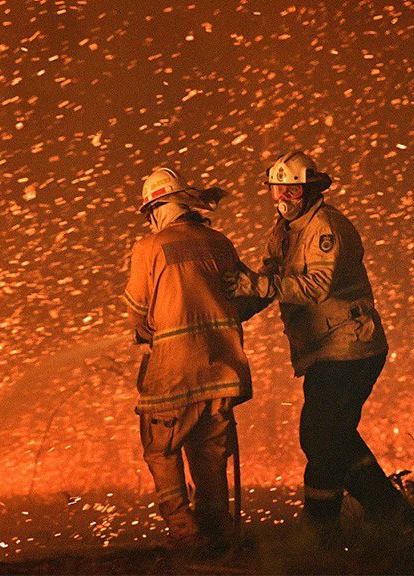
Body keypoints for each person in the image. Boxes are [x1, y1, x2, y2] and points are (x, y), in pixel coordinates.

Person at [225, 150, 414, 540]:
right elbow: (269, 279)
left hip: (350, 348)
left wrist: (257, 285)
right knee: (335, 434)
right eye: (276, 191)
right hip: (324, 349)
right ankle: (391, 513)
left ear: (312, 190)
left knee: (320, 435)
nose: (282, 200)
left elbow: (315, 287)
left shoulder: (327, 229)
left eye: (291, 192)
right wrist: (232, 312)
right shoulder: (283, 231)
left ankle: (322, 528)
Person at [123, 167, 254, 554]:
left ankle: (184, 530)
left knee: (160, 447)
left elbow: (137, 310)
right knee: (209, 455)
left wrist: (149, 329)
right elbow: (247, 297)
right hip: (221, 371)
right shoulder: (220, 243)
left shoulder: (149, 247)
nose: (150, 221)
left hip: (174, 373)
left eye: (151, 212)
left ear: (162, 207)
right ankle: (217, 536)